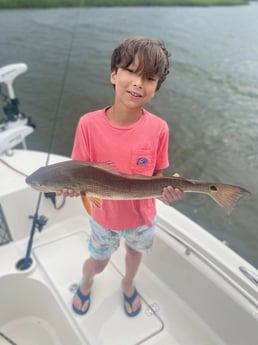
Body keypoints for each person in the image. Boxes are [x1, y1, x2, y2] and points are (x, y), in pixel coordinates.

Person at [60, 37, 183, 317]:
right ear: (114, 75)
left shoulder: (159, 128)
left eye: (149, 77)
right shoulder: (88, 124)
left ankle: (128, 284)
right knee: (99, 260)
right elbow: (78, 172)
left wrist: (167, 192)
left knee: (134, 254)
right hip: (104, 220)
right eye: (130, 71)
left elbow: (156, 177)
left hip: (142, 217)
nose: (138, 82)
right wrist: (71, 189)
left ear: (156, 88)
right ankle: (88, 280)